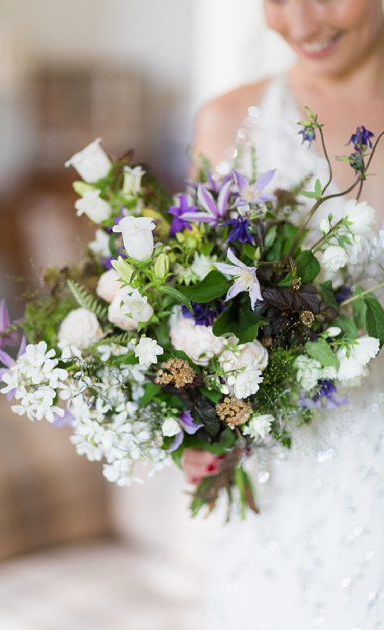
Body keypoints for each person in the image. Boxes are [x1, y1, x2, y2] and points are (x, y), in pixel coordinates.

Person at [186, 1, 384, 628]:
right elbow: (191, 313)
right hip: (289, 498)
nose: (299, 24)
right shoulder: (227, 125)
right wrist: (198, 426)